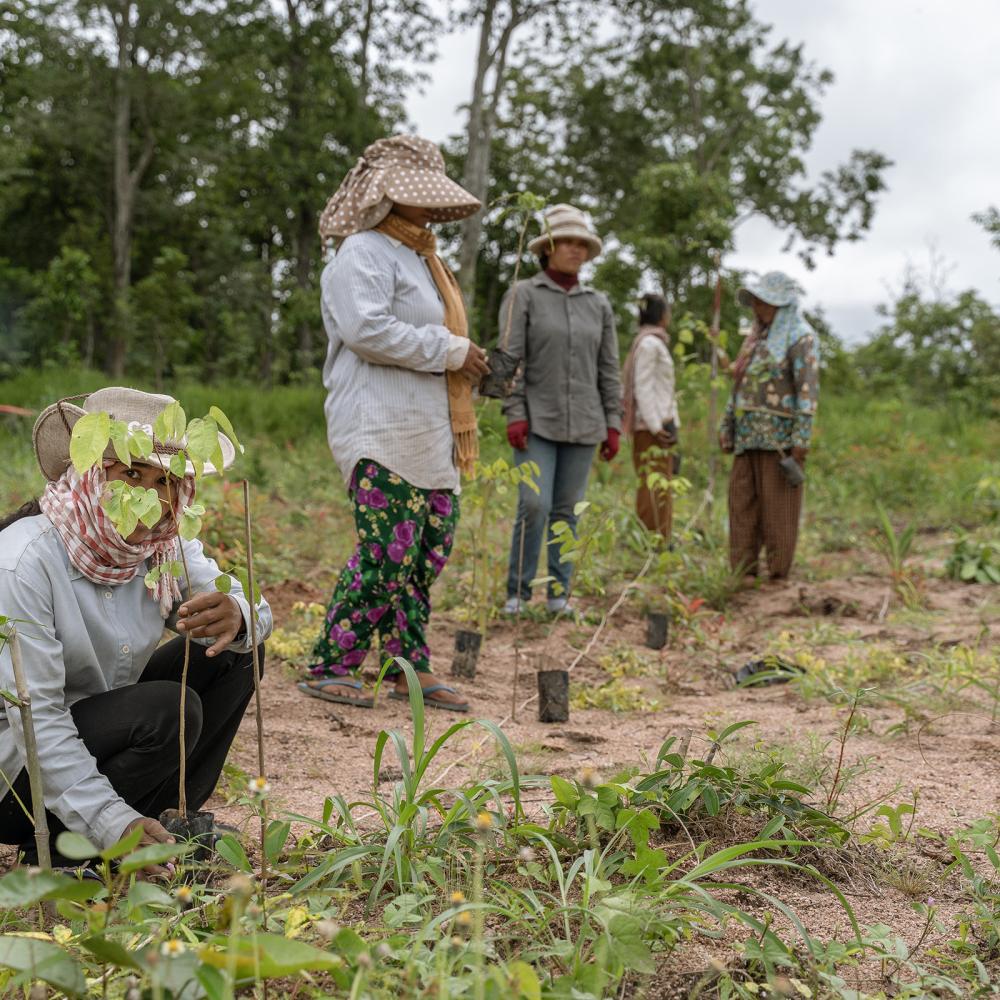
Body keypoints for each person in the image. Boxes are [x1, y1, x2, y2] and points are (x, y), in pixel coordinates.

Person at [0, 387, 272, 867]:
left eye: (165, 479)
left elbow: (249, 609)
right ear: (88, 473)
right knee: (167, 709)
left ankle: (167, 818)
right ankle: (72, 851)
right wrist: (110, 821)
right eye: (130, 473)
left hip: (97, 736)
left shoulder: (163, 548)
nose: (148, 496)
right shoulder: (24, 559)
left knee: (238, 647)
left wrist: (240, 614)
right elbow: (35, 718)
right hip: (17, 780)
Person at [300, 135, 488, 712]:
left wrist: (458, 356)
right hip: (379, 426)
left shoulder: (422, 258)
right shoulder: (362, 252)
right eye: (419, 196)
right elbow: (366, 330)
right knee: (386, 552)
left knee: (429, 548)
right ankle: (334, 660)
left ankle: (410, 662)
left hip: (429, 429)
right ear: (386, 195)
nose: (430, 208)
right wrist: (454, 350)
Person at [502, 204, 623, 615]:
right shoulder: (524, 295)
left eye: (582, 244)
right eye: (567, 242)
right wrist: (514, 411)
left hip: (585, 424)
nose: (575, 250)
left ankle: (558, 594)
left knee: (566, 510)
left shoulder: (598, 304)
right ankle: (518, 593)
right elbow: (510, 359)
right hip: (536, 420)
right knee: (534, 505)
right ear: (548, 248)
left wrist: (614, 423)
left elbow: (608, 368)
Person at [719, 271, 819, 581]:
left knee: (779, 510)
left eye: (765, 303)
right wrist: (728, 426)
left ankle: (777, 574)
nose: (758, 309)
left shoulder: (801, 338)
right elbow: (739, 387)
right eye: (756, 303)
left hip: (780, 441)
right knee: (742, 502)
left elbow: (807, 392)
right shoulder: (754, 341)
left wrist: (800, 440)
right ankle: (743, 571)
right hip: (748, 437)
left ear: (782, 305)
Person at [622, 293, 680, 538]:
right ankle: (652, 538)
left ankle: (661, 536)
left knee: (662, 482)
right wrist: (656, 426)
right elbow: (642, 387)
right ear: (662, 316)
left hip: (660, 423)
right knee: (652, 483)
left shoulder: (652, 342)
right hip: (651, 427)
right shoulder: (649, 344)